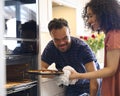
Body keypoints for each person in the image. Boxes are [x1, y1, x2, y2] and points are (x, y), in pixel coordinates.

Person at [68, 0, 120, 96]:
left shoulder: (114, 36)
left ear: (103, 14)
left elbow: (111, 69)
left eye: (91, 16)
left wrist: (78, 75)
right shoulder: (111, 34)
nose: (89, 20)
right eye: (88, 16)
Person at [41, 18, 101, 96]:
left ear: (69, 33)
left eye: (65, 38)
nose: (61, 42)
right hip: (73, 86)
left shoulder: (82, 48)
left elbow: (94, 77)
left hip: (90, 84)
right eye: (57, 40)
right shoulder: (51, 48)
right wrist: (59, 75)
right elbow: (40, 69)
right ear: (52, 37)